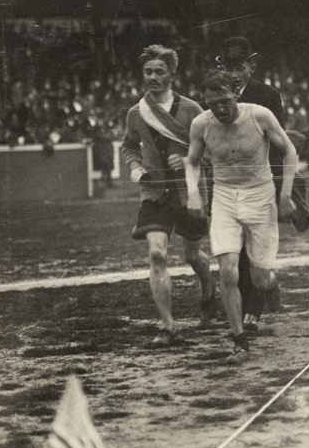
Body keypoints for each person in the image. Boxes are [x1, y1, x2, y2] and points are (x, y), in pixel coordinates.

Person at [185, 69, 298, 364]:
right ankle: (239, 341)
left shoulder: (259, 116)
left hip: (260, 196)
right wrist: (194, 193)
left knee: (259, 279)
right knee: (228, 271)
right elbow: (192, 162)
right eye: (213, 103)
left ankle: (270, 281)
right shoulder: (201, 124)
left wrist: (285, 195)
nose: (220, 109)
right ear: (205, 102)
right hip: (224, 198)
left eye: (225, 100)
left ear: (236, 93)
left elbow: (289, 152)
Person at [121, 45, 216, 347]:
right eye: (148, 72)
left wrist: (189, 157)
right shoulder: (136, 113)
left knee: (192, 254)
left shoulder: (193, 111)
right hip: (154, 193)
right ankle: (168, 325)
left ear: (172, 75)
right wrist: (135, 166)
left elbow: (212, 148)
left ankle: (207, 283)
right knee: (157, 254)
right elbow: (129, 146)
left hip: (188, 193)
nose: (152, 77)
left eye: (159, 72)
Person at [216, 37, 286, 332]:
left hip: (261, 180)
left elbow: (280, 142)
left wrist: (281, 187)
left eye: (240, 67)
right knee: (234, 247)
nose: (234, 74)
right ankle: (252, 300)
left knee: (254, 248)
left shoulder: (267, 95)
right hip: (229, 182)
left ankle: (254, 309)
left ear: (251, 67)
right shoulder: (216, 95)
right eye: (229, 67)